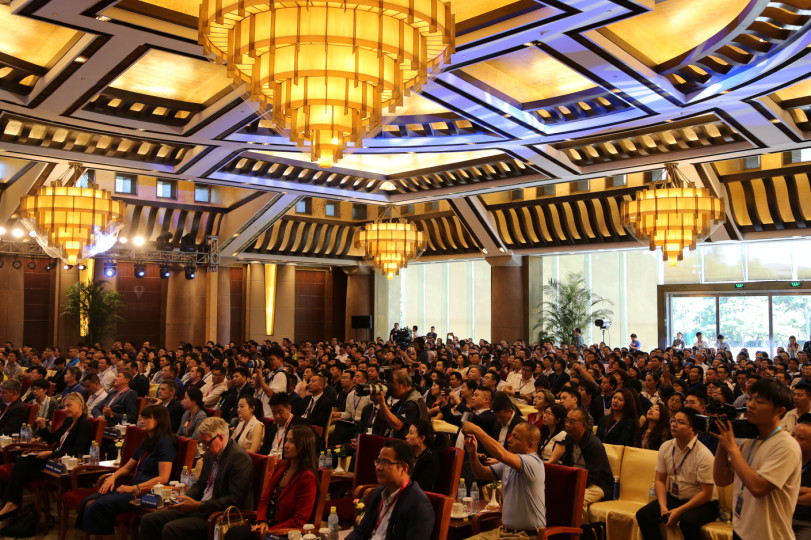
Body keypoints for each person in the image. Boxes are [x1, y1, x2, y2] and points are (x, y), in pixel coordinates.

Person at [713, 378, 801, 540]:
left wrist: (731, 447)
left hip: (769, 535)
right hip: (741, 529)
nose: (750, 405)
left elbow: (758, 488)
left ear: (780, 410)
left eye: (759, 402)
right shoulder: (748, 440)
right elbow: (721, 479)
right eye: (749, 399)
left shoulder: (786, 445)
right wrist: (722, 441)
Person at [139, 417, 254, 540]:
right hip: (202, 508)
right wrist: (186, 498)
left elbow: (234, 499)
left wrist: (199, 505)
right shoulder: (211, 453)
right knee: (148, 520)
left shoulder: (239, 459)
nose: (204, 448)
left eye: (206, 443)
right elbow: (200, 484)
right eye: (202, 444)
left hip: (219, 516)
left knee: (171, 529)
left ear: (220, 437)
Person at [77, 405, 177, 537]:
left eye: (147, 418)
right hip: (133, 487)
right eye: (142, 417)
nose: (142, 420)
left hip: (146, 492)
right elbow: (127, 467)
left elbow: (163, 478)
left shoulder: (165, 443)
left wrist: (133, 488)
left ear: (159, 420)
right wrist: (113, 477)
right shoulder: (147, 441)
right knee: (88, 502)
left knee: (97, 506)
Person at [0, 393, 91, 528]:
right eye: (65, 406)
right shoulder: (68, 421)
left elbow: (77, 451)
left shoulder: (83, 424)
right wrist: (42, 427)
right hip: (53, 457)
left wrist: (51, 453)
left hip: (63, 463)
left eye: (69, 406)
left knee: (21, 467)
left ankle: (10, 506)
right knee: (21, 461)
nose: (66, 409)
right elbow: (51, 439)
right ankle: (10, 504)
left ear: (80, 405)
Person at [635, 407, 718, 540]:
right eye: (673, 421)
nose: (674, 424)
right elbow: (660, 480)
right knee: (643, 515)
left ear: (692, 428)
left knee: (688, 522)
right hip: (675, 497)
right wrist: (663, 506)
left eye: (680, 422)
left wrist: (680, 510)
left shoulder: (704, 454)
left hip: (703, 503)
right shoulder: (666, 447)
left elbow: (706, 494)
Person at [225, 425, 318, 540]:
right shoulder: (282, 466)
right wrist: (262, 522)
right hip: (266, 527)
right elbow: (264, 500)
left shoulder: (307, 477)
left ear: (304, 445)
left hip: (285, 533)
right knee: (234, 533)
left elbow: (299, 520)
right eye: (286, 440)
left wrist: (270, 531)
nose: (286, 445)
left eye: (292, 441)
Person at [461, 419, 545, 540]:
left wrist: (476, 429)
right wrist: (472, 454)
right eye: (511, 435)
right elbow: (481, 473)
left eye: (515, 437)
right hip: (503, 531)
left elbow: (502, 454)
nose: (509, 440)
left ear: (530, 445)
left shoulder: (533, 462)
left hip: (526, 535)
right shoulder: (510, 464)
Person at [346, 440, 435, 540]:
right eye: (378, 462)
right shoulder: (378, 493)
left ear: (404, 468)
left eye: (385, 463)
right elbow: (360, 531)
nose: (378, 467)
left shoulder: (418, 504)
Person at [548, 408, 613, 523]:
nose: (567, 425)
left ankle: (580, 531)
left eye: (572, 422)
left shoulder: (594, 445)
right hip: (577, 480)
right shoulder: (569, 439)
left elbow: (592, 475)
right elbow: (566, 466)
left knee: (577, 500)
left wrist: (572, 486)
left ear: (583, 425)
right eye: (566, 420)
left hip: (597, 485)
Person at [370, 371, 427, 439]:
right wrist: (381, 402)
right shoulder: (404, 398)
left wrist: (382, 403)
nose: (391, 388)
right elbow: (386, 417)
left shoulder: (412, 403)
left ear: (404, 384)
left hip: (411, 443)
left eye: (393, 384)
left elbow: (397, 426)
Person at [404, 419, 441, 493]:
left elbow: (422, 488)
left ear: (422, 438)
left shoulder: (430, 460)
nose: (406, 436)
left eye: (411, 433)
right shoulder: (409, 454)